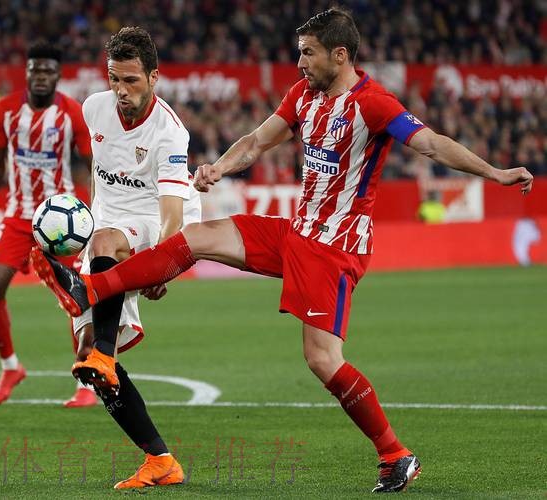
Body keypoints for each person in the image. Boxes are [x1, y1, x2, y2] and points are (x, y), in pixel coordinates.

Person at [30, 8, 534, 494]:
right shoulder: (303, 95)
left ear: (340, 55)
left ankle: (394, 454)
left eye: (308, 53)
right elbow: (255, 141)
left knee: (322, 359)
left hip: (334, 246)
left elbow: (432, 144)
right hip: (297, 231)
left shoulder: (374, 104)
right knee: (199, 238)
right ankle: (89, 288)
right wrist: (219, 168)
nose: (300, 62)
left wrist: (494, 173)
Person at [54, 26, 199, 490]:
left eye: (131, 80)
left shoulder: (170, 133)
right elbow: (99, 171)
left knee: (106, 244)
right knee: (90, 359)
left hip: (158, 222)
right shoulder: (94, 108)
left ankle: (99, 343)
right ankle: (160, 460)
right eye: (114, 78)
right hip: (108, 222)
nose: (120, 90)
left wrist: (164, 266)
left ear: (154, 77)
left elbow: (172, 213)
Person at [0, 41, 95, 407]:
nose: (41, 76)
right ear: (26, 73)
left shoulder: (73, 113)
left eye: (48, 70)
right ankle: (10, 367)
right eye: (35, 69)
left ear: (58, 75)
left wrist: (95, 216)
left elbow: (92, 166)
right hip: (18, 216)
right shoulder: (5, 110)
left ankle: (86, 381)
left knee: (79, 296)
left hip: (61, 221)